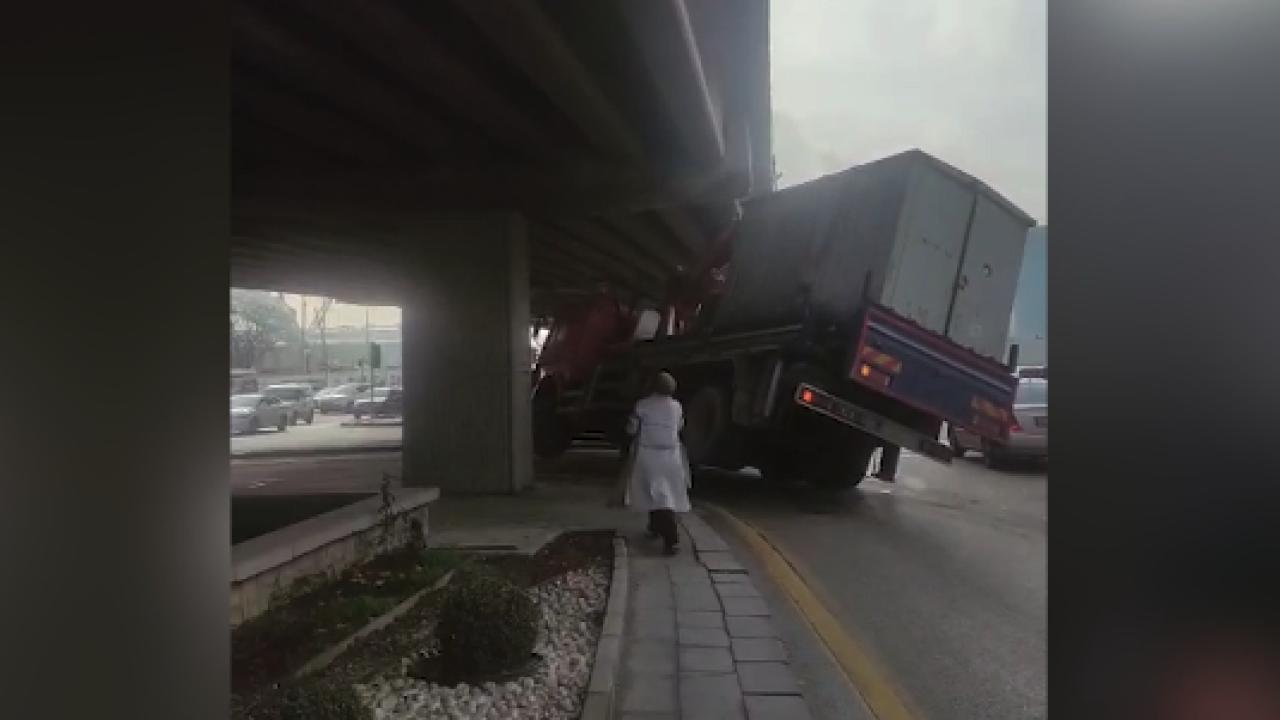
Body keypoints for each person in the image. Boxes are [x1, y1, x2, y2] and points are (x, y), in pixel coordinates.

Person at [622, 371, 691, 555]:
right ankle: (654, 528)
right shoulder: (676, 406)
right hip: (672, 456)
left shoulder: (642, 405)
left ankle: (671, 539)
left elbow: (631, 429)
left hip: (648, 455)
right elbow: (680, 426)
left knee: (657, 495)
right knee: (663, 494)